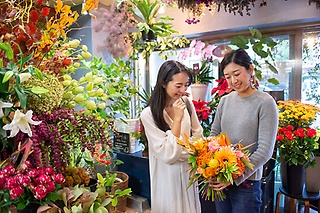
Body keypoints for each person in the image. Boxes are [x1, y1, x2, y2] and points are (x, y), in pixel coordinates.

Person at [210, 49, 278, 213]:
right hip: (221, 180)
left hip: (247, 184)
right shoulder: (224, 101)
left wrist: (235, 177)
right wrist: (212, 168)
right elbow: (213, 136)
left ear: (250, 70)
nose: (233, 81)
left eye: (237, 73)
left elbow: (264, 151)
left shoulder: (265, 103)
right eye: (227, 77)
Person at [140, 60, 203, 213]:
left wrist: (185, 152)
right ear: (163, 83)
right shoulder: (149, 114)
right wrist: (177, 119)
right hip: (166, 177)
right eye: (178, 86)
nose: (183, 90)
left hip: (188, 173)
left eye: (186, 85)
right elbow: (167, 154)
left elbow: (198, 135)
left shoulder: (187, 103)